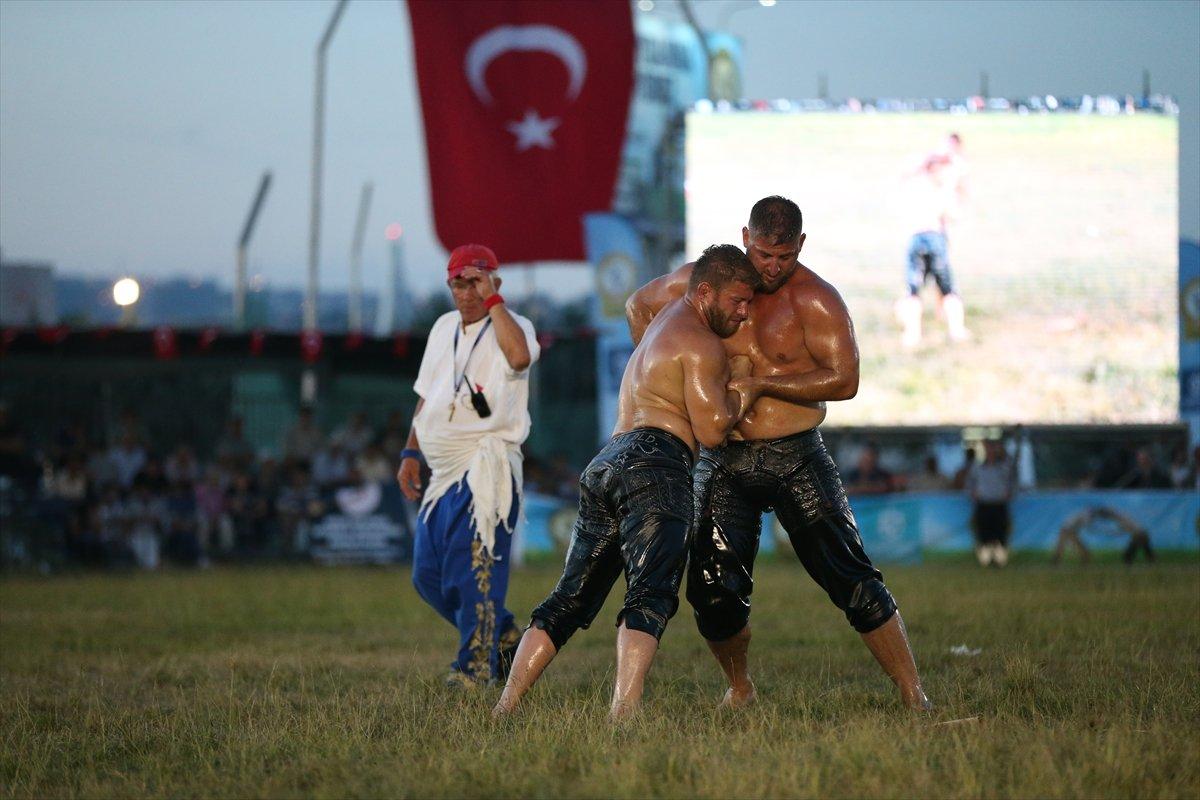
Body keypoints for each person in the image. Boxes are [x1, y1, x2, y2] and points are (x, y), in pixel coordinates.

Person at [623, 196, 931, 711]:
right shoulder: (703, 282)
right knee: (712, 592)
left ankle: (913, 693)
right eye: (764, 254)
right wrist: (664, 378)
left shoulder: (816, 299)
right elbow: (638, 307)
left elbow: (846, 379)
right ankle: (739, 687)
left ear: (800, 247)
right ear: (746, 238)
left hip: (797, 455)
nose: (771, 267)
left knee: (851, 575)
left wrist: (762, 382)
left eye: (783, 257)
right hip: (725, 458)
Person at [494, 244, 760, 721]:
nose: (744, 314)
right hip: (659, 463)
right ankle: (624, 712)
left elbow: (637, 300)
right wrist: (746, 385)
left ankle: (505, 705)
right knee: (651, 594)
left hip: (607, 461)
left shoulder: (659, 325)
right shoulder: (700, 343)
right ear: (705, 293)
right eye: (739, 302)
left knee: (569, 598)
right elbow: (714, 430)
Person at [397, 244, 540, 687]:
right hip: (442, 473)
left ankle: (475, 669)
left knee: (474, 570)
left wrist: (493, 301)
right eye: (459, 282)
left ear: (495, 282)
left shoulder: (515, 327)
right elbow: (428, 394)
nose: (467, 291)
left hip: (486, 467)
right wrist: (409, 452)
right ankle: (505, 634)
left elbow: (518, 358)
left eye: (476, 281)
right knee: (427, 575)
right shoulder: (442, 329)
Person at [895, 133, 969, 348]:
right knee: (948, 288)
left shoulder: (912, 186)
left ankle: (912, 334)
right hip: (935, 238)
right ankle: (957, 330)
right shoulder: (941, 189)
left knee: (912, 290)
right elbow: (953, 214)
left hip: (915, 239)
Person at [966, 438, 1017, 567]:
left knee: (1000, 532)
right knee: (984, 532)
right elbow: (969, 484)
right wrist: (973, 493)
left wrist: (1010, 493)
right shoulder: (977, 467)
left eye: (992, 448)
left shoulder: (1004, 467)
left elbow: (1013, 481)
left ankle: (1000, 560)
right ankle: (986, 560)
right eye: (987, 449)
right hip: (983, 504)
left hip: (999, 504)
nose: (990, 451)